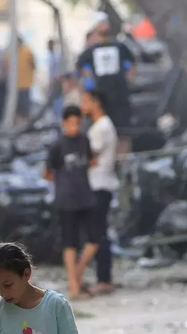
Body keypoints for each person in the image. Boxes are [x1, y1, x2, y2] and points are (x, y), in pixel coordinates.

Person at [44, 106, 99, 300]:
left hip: (86, 195)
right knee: (70, 242)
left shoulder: (84, 141)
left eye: (77, 123)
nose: (74, 127)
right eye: (71, 123)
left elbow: (92, 161)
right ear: (64, 123)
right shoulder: (57, 146)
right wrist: (63, 182)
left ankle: (77, 272)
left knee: (94, 239)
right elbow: (48, 172)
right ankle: (74, 286)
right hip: (66, 199)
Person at [77, 13, 136, 155]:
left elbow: (132, 62)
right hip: (102, 99)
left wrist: (130, 77)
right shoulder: (91, 51)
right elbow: (79, 67)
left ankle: (122, 164)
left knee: (123, 133)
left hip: (120, 97)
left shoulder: (120, 47)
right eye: (101, 23)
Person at [83, 90, 118, 295]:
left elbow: (90, 156)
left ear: (95, 103)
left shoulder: (102, 127)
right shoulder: (99, 126)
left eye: (86, 101)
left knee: (99, 233)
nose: (83, 105)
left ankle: (104, 279)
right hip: (97, 184)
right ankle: (101, 277)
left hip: (100, 184)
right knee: (98, 231)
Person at [14, 37, 36, 122]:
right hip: (15, 85)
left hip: (25, 83)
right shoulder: (12, 53)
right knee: (17, 106)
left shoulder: (27, 51)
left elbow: (33, 65)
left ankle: (27, 121)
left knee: (25, 105)